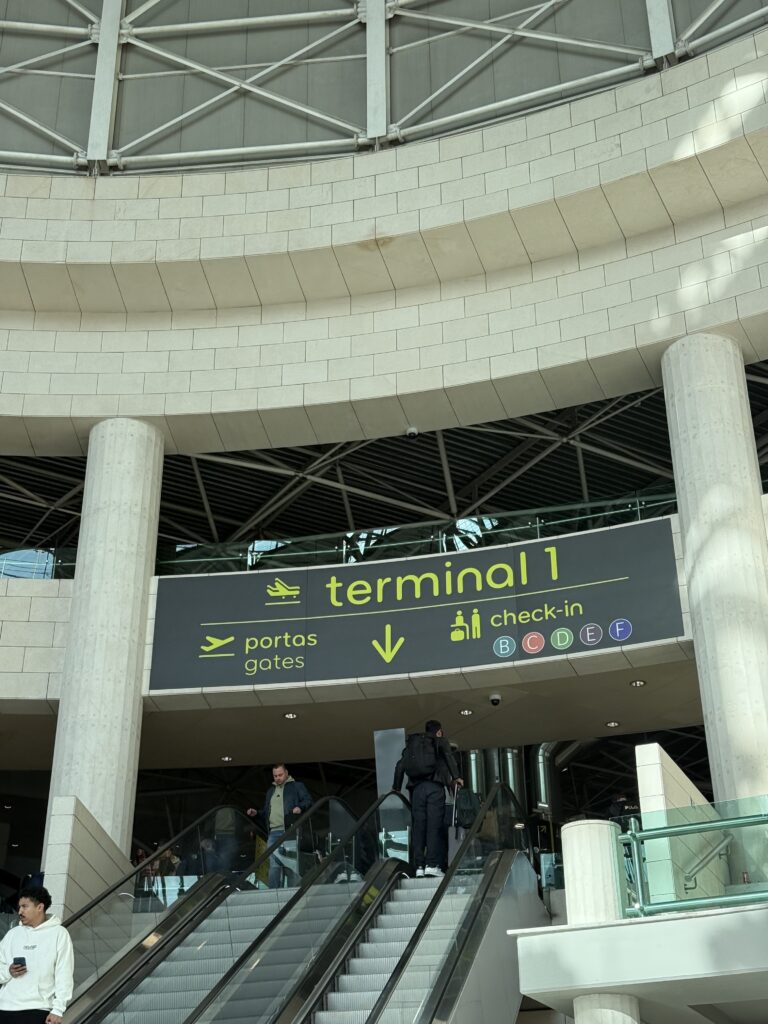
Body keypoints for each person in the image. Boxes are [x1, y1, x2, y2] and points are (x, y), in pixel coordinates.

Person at [393, 720, 464, 878]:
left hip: (416, 791)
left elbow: (399, 766)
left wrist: (396, 787)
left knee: (419, 827)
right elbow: (449, 758)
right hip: (434, 788)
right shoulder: (439, 741)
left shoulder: (412, 745)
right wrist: (457, 777)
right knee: (434, 826)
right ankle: (431, 865)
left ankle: (419, 866)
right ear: (438, 731)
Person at [0, 886, 74, 1024]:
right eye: (19, 907)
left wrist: (58, 1010)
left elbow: (64, 973)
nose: (20, 911)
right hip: (4, 1008)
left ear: (40, 907)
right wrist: (8, 971)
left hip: (38, 1010)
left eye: (24, 906)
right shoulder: (12, 934)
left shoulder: (59, 933)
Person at [247, 764, 312, 888]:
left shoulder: (297, 786)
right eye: (275, 776)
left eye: (280, 775)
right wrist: (256, 813)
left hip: (290, 831)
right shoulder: (270, 791)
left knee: (291, 864)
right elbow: (266, 812)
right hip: (273, 832)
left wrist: (300, 807)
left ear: (286, 773)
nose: (277, 778)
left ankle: (293, 892)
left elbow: (308, 800)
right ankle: (274, 892)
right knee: (274, 865)